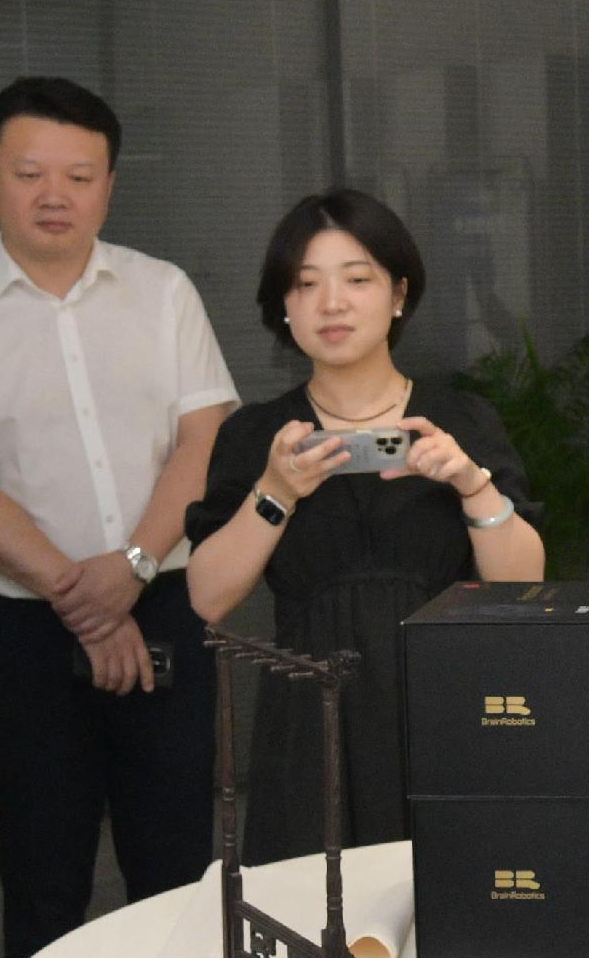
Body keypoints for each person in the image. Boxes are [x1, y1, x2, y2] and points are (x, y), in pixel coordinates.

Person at [0, 76, 237, 958]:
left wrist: (131, 567)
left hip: (166, 600)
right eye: (30, 172)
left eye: (80, 176)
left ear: (109, 185)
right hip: (24, 629)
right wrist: (82, 598)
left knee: (173, 860)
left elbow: (204, 441)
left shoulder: (164, 293)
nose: (56, 194)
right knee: (42, 869)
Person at [184, 189, 543, 860]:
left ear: (399, 294)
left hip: (443, 705)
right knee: (312, 918)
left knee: (448, 908)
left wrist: (470, 481)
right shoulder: (257, 435)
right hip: (307, 719)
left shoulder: (460, 418)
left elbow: (521, 581)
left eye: (357, 279)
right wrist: (274, 491)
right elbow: (208, 595)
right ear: (283, 308)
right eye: (306, 283)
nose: (333, 303)